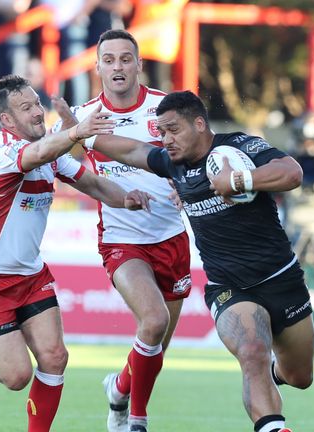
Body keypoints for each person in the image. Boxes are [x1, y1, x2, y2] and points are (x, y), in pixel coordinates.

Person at [90, 90, 314, 432]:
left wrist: (238, 180)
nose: (166, 140)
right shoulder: (172, 163)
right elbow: (134, 149)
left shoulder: (238, 147)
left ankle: (268, 378)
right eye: (161, 132)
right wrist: (82, 134)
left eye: (173, 130)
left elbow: (292, 173)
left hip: (282, 279)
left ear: (199, 124)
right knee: (253, 351)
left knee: (299, 376)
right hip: (230, 288)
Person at [0, 74, 152, 432]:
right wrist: (76, 132)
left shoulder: (48, 149)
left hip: (29, 275)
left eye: (36, 103)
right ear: (7, 120)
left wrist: (125, 198)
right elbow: (40, 153)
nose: (36, 112)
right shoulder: (6, 151)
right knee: (16, 377)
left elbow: (89, 182)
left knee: (56, 357)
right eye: (25, 107)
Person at [62, 29, 192, 432]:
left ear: (139, 64)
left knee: (157, 345)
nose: (117, 66)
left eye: (125, 58)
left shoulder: (165, 109)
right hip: (122, 239)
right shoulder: (82, 118)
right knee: (152, 322)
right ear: (97, 67)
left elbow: (194, 158)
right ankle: (134, 419)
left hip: (172, 239)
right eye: (109, 59)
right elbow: (55, 162)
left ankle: (119, 388)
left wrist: (185, 185)